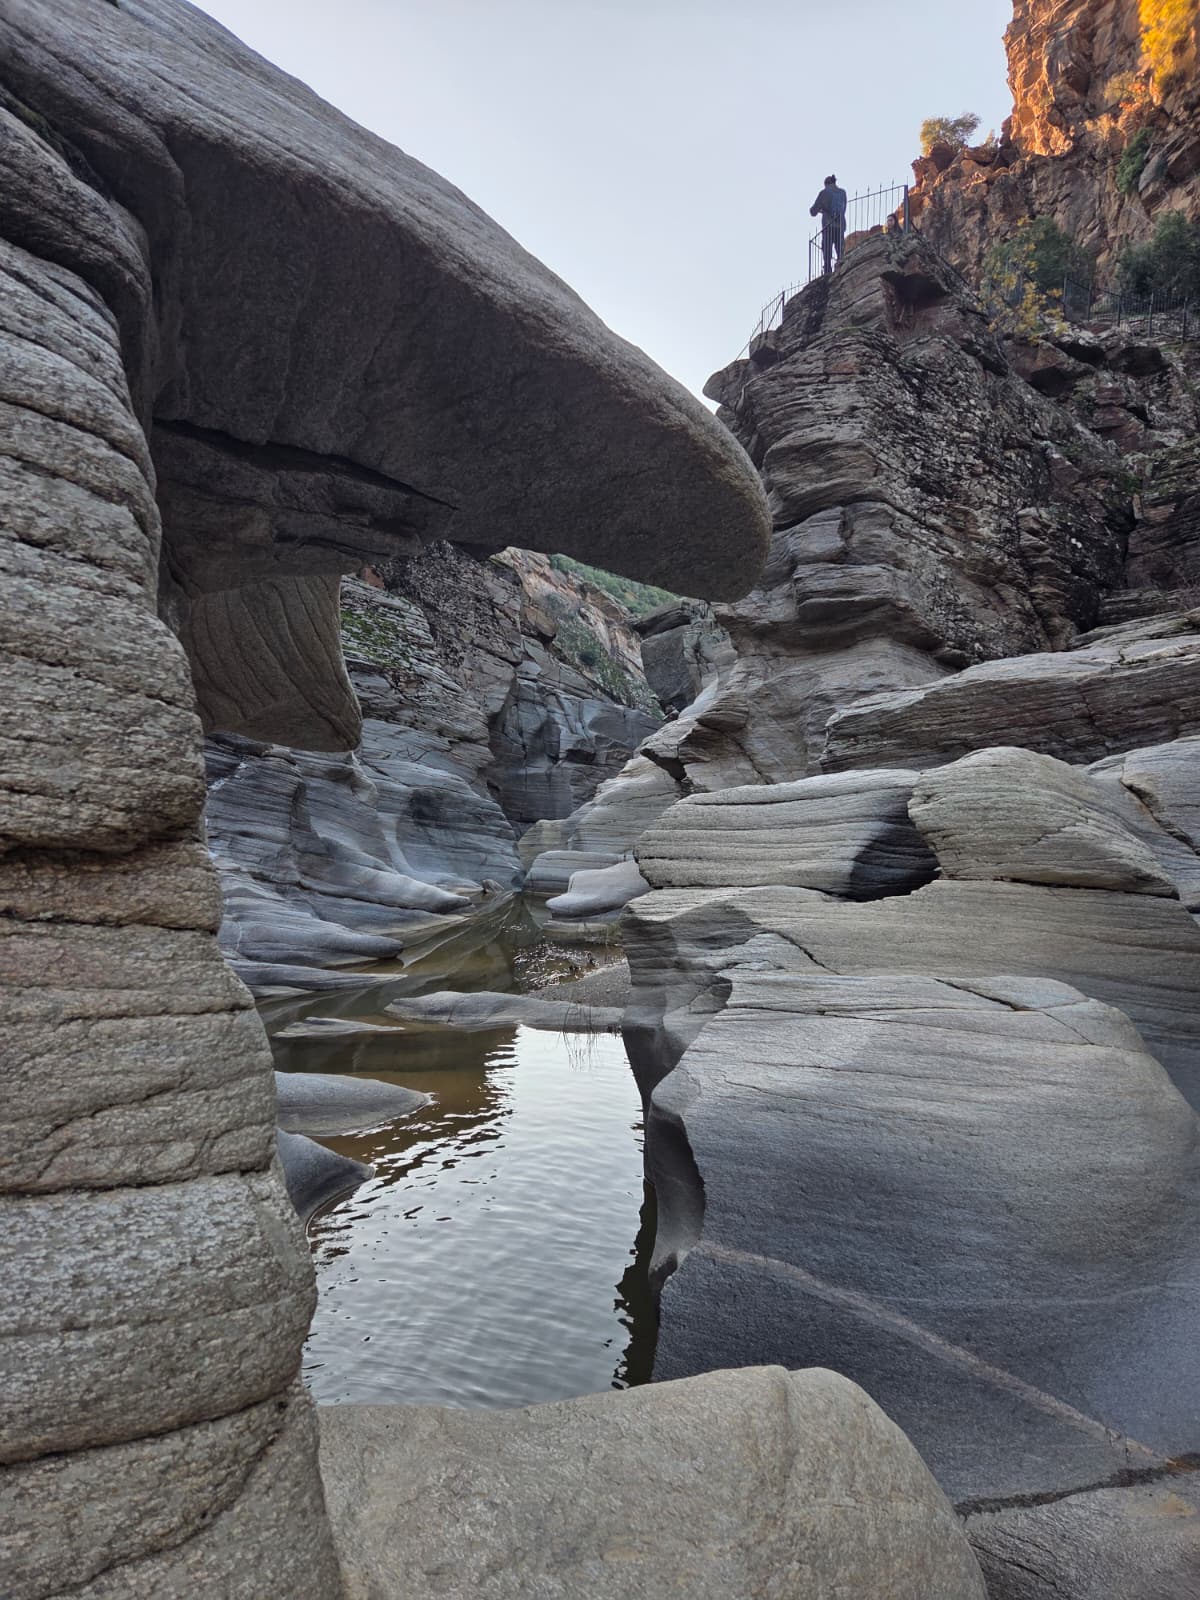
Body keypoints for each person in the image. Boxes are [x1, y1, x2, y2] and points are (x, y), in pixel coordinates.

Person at [810, 174, 848, 275]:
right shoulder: (843, 192)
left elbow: (813, 211)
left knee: (827, 248)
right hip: (840, 225)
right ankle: (842, 266)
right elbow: (844, 208)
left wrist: (821, 210)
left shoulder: (824, 193)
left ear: (826, 184)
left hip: (828, 225)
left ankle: (827, 270)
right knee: (840, 248)